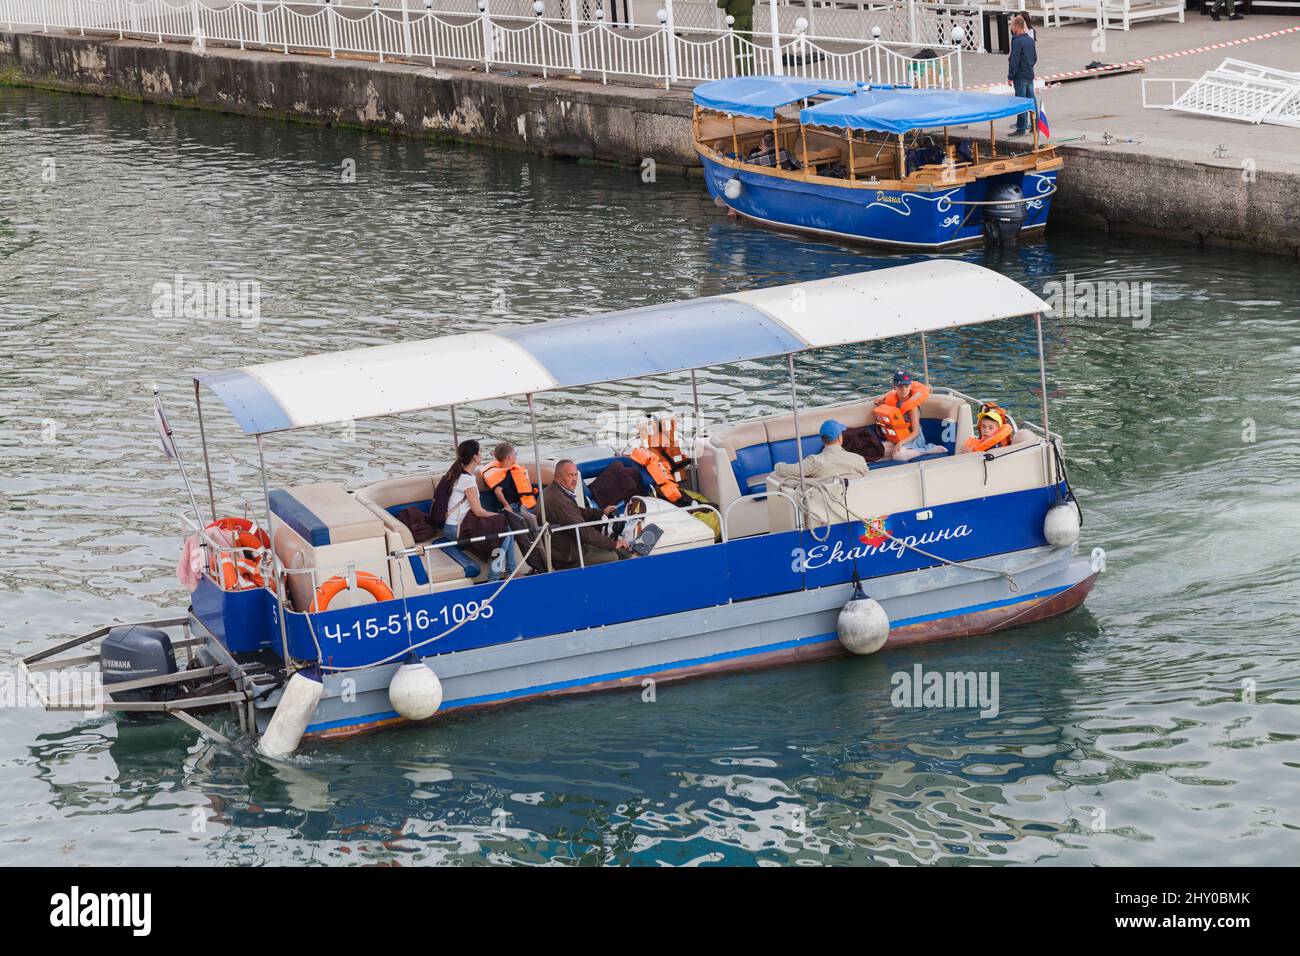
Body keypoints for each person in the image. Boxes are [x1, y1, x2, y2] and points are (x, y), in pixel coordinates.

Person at [437, 439, 514, 582]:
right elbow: (479, 512)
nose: (482, 454)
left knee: (504, 527)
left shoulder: (457, 474)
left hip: (455, 525)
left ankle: (509, 572)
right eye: (480, 452)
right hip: (457, 529)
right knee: (505, 531)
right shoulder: (468, 480)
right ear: (475, 457)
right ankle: (494, 578)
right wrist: (498, 516)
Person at [537, 459, 631, 570]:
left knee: (617, 551)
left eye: (576, 475)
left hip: (563, 547)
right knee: (613, 556)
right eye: (570, 475)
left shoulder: (554, 492)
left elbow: (578, 511)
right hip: (567, 557)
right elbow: (583, 531)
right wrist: (612, 544)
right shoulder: (559, 501)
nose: (574, 479)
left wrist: (601, 512)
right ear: (558, 477)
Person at [873, 370, 944, 462]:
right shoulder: (894, 399)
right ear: (894, 387)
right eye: (900, 386)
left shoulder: (912, 407)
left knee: (898, 456)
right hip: (898, 436)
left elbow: (916, 432)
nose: (904, 389)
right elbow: (892, 392)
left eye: (907, 386)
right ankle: (899, 452)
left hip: (914, 439)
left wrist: (900, 443)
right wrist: (882, 397)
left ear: (910, 386)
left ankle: (930, 450)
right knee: (878, 449)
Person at [773, 420, 871, 481]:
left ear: (822, 440)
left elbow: (787, 470)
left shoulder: (813, 462)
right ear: (839, 438)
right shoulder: (858, 459)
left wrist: (778, 466)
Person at [1007, 15, 1037, 137]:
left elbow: (1014, 61)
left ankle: (1021, 128)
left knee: (1021, 102)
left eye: (1012, 26)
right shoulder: (1030, 40)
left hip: (1020, 76)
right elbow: (1034, 58)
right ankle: (1035, 125)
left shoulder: (1017, 41)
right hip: (1029, 74)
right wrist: (1029, 67)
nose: (1011, 29)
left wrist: (1010, 76)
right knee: (1031, 101)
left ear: (1016, 27)